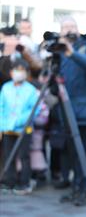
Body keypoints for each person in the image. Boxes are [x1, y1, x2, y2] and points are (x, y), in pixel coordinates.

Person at [56, 17, 86, 206]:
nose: (69, 30)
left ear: (77, 29)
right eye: (65, 27)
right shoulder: (59, 52)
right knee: (74, 154)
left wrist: (71, 52)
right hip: (69, 112)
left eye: (72, 26)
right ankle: (77, 187)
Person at [0, 59, 39, 195]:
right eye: (16, 69)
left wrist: (19, 121)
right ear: (11, 72)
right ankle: (9, 181)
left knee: (24, 156)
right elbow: (1, 107)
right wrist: (3, 124)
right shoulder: (6, 88)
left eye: (22, 70)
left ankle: (24, 182)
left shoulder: (31, 90)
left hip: (23, 129)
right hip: (7, 128)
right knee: (8, 155)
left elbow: (34, 109)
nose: (18, 73)